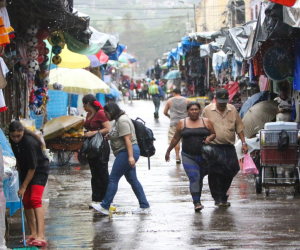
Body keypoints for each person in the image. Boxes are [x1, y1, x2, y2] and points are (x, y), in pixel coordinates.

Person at [92, 102, 151, 215]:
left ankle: (105, 206)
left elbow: (128, 139)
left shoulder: (123, 121)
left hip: (127, 152)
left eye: (106, 113)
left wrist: (130, 157)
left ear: (111, 112)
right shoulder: (118, 120)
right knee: (132, 180)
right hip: (127, 152)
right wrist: (110, 136)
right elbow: (118, 134)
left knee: (113, 178)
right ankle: (144, 205)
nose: (105, 116)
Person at [165, 102, 216, 212]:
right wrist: (168, 151)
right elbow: (175, 138)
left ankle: (198, 198)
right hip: (188, 156)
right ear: (187, 111)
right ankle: (196, 203)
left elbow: (213, 133)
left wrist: (209, 139)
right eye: (191, 109)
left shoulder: (205, 121)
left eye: (196, 109)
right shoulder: (182, 123)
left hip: (203, 156)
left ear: (199, 110)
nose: (194, 111)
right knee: (194, 177)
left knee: (200, 178)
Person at [202, 89, 248, 206]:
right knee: (215, 172)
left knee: (233, 168)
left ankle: (222, 192)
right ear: (215, 99)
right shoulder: (207, 110)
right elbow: (201, 126)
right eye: (220, 102)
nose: (222, 104)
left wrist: (244, 143)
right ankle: (218, 197)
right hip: (213, 146)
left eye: (224, 102)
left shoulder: (232, 109)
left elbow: (239, 128)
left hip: (228, 146)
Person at [9, 120, 49, 247]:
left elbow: (33, 167)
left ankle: (40, 235)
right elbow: (19, 160)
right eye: (13, 136)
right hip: (26, 170)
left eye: (18, 136)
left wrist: (24, 186)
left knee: (35, 199)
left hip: (39, 170)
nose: (16, 139)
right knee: (26, 200)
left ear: (23, 132)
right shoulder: (15, 143)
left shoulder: (29, 142)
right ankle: (32, 233)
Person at [83, 94, 111, 207]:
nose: (83, 107)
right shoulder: (89, 114)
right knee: (94, 173)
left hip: (101, 146)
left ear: (88, 104)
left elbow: (108, 128)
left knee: (102, 173)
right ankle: (96, 199)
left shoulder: (100, 113)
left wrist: (93, 133)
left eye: (84, 104)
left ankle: (105, 200)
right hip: (91, 147)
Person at [164, 88, 190, 163]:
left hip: (174, 123)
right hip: (185, 123)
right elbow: (191, 111)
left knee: (175, 140)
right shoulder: (187, 100)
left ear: (174, 93)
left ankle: (177, 156)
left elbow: (165, 112)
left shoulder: (170, 100)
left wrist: (170, 117)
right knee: (185, 140)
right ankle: (187, 156)